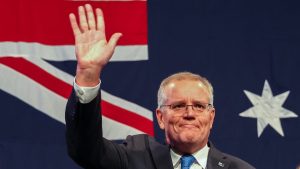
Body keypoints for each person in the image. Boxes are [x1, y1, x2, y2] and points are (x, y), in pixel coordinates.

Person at [65, 4, 255, 169]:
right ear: (161, 117)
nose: (189, 113)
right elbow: (85, 150)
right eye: (178, 106)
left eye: (199, 106)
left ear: (211, 116)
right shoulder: (135, 158)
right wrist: (88, 75)